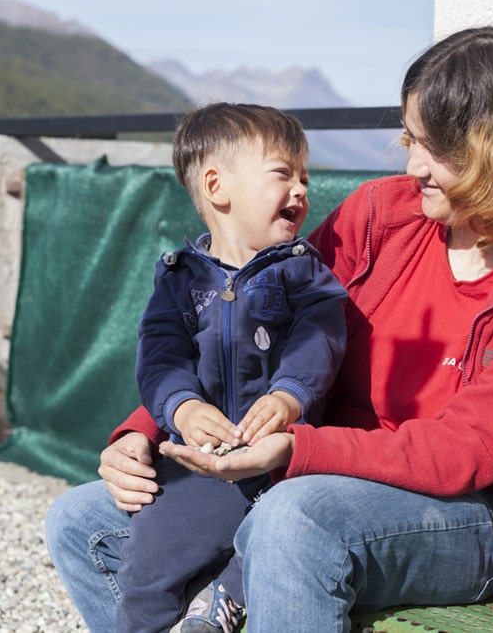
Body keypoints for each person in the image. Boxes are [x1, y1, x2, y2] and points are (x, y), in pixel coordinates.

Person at [45, 25, 493, 633]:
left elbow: (468, 453)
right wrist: (149, 428)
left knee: (296, 519)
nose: (414, 166)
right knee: (81, 518)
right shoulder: (381, 213)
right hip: (325, 473)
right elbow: (258, 325)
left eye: (437, 149)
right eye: (410, 139)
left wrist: (299, 449)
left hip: (481, 513)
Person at [115, 102, 348, 632]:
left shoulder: (303, 271)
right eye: (283, 174)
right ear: (217, 187)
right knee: (148, 566)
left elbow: (323, 338)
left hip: (286, 462)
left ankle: (221, 598)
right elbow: (159, 355)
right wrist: (183, 406)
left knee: (273, 549)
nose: (301, 191)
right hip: (205, 462)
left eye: (305, 178)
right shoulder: (178, 280)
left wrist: (289, 395)